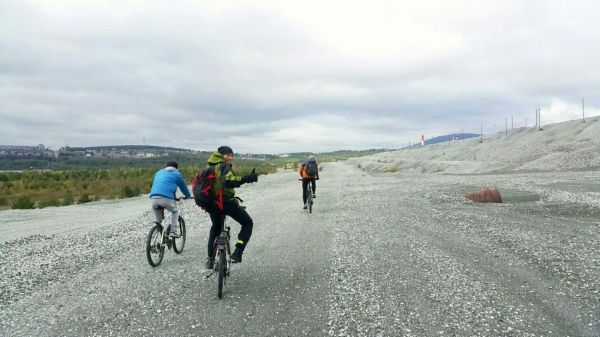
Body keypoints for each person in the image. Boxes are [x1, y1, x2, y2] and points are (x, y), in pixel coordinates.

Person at [205, 146, 258, 269]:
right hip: (225, 202)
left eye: (231, 155)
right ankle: (237, 252)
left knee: (215, 228)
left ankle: (210, 260)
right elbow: (228, 181)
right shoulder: (224, 166)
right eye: (228, 155)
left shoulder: (209, 168)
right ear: (221, 155)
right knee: (247, 223)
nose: (230, 157)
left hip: (211, 204)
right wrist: (248, 178)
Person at [149, 161, 191, 237]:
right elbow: (184, 188)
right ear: (176, 168)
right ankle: (173, 231)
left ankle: (151, 238)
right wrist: (188, 195)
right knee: (175, 211)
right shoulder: (177, 175)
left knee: (158, 219)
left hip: (153, 198)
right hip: (166, 198)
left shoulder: (158, 173)